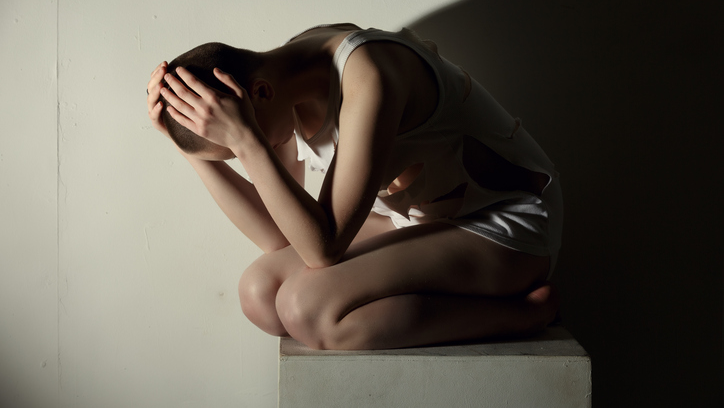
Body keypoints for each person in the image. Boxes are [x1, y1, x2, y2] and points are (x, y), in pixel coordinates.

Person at [146, 23, 562, 350]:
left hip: (503, 225)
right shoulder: (282, 82)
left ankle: (518, 315)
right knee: (260, 293)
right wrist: (185, 146)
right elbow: (280, 236)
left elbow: (322, 248)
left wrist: (248, 141)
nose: (245, 155)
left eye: (238, 143)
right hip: (419, 221)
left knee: (306, 308)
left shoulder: (369, 75)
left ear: (259, 92)